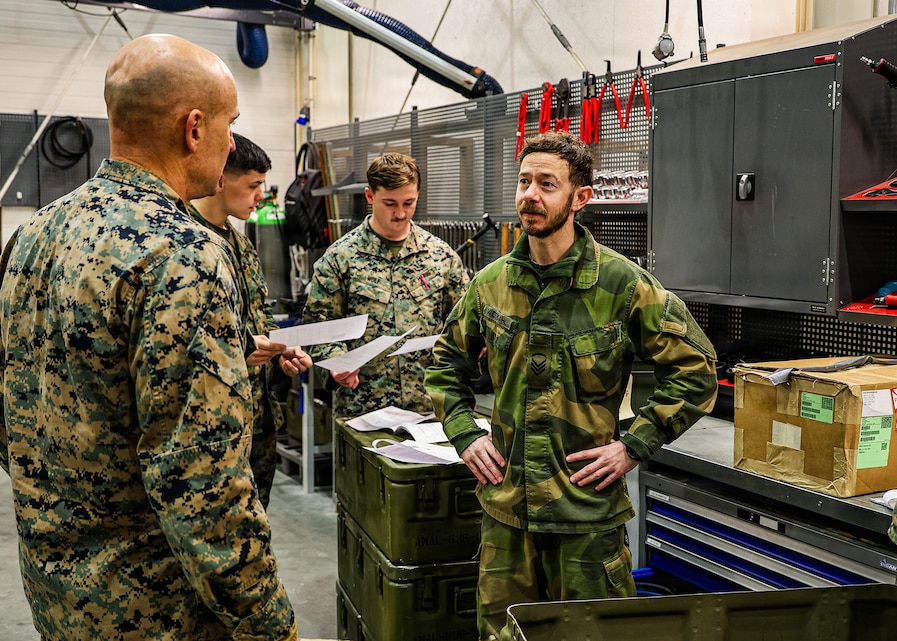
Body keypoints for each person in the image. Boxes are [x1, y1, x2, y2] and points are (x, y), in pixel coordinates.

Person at [0, 34, 300, 640]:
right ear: (194, 128)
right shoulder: (183, 254)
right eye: (230, 125)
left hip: (59, 592)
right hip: (157, 609)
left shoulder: (35, 234)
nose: (232, 142)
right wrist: (269, 625)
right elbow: (204, 488)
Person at [424, 131, 718, 641]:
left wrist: (633, 447)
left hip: (585, 515)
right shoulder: (490, 283)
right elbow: (445, 361)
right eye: (523, 182)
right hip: (507, 513)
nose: (529, 195)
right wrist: (464, 433)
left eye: (547, 184)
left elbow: (696, 371)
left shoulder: (623, 285)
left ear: (580, 198)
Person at [192, 132, 312, 509]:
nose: (261, 196)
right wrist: (244, 348)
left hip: (259, 420)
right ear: (221, 178)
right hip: (214, 429)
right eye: (254, 185)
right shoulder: (188, 244)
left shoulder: (241, 244)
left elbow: (255, 323)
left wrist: (279, 354)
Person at [303, 152, 469, 419]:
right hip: (364, 411)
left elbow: (464, 325)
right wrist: (336, 364)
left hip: (431, 411)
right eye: (390, 203)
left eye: (409, 202)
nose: (400, 213)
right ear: (370, 196)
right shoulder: (340, 258)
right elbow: (320, 328)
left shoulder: (441, 256)